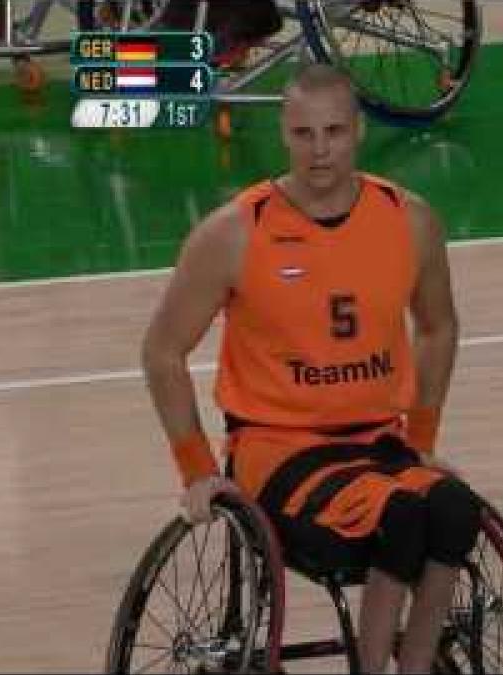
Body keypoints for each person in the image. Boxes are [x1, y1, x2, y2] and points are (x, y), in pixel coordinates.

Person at [141, 63, 480, 674]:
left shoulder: (410, 221)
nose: (320, 150)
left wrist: (422, 438)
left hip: (379, 444)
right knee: (402, 517)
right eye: (304, 134)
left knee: (456, 508)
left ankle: (418, 662)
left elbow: (438, 326)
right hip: (276, 451)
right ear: (283, 134)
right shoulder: (234, 233)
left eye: (334, 132)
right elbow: (161, 351)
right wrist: (195, 468)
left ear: (358, 131)